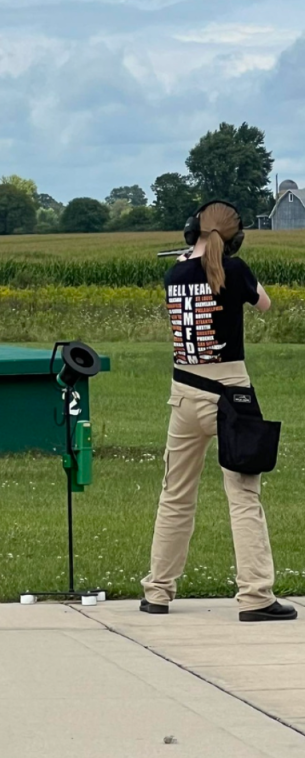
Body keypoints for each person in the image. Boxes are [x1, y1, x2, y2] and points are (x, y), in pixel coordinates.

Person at [141, 201, 296, 622]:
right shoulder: (237, 270)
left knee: (175, 494)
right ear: (232, 239)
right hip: (231, 395)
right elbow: (263, 304)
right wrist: (236, 267)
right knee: (244, 497)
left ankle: (158, 589)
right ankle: (256, 596)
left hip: (184, 393)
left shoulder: (174, 273)